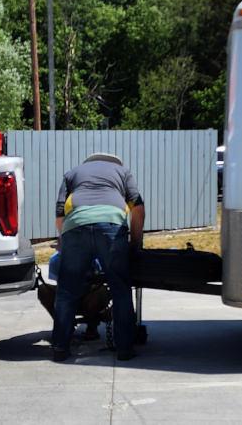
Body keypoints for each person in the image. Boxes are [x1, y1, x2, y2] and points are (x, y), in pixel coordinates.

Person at [51, 152, 145, 362]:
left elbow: (60, 212)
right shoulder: (122, 172)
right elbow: (138, 208)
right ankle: (124, 349)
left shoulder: (73, 173)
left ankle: (59, 347)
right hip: (111, 227)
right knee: (120, 289)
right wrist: (133, 244)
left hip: (76, 227)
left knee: (67, 290)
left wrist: (66, 241)